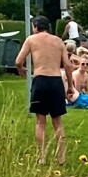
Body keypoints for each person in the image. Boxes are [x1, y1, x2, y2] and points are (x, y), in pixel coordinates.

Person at [15, 15, 76, 164]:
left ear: (35, 26)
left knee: (40, 122)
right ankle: (61, 157)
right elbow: (67, 65)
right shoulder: (58, 41)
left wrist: (22, 70)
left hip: (40, 80)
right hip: (55, 81)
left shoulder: (31, 39)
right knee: (58, 121)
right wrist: (70, 86)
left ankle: (41, 157)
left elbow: (18, 61)